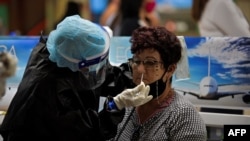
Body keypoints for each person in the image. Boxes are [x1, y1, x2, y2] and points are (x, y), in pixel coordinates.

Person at [0, 15, 153, 141]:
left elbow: (97, 74)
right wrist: (116, 105)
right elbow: (89, 132)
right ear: (80, 64)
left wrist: (132, 73)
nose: (100, 70)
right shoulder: (49, 93)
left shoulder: (59, 52)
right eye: (95, 65)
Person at [110, 26, 207, 141]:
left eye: (150, 63)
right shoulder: (126, 104)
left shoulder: (184, 117)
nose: (140, 70)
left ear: (170, 70)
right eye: (136, 61)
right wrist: (114, 106)